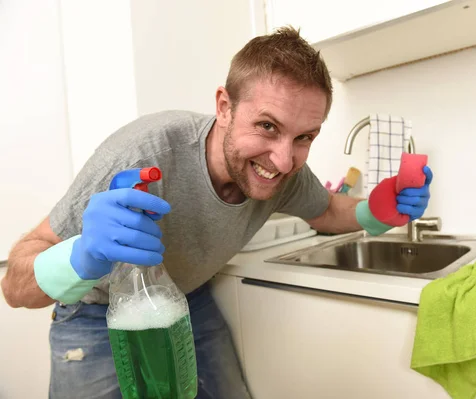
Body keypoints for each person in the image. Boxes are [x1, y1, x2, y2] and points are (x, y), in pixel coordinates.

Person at [1, 27, 433, 399]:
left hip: (187, 299)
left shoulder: (283, 173)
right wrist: (80, 256)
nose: (283, 160)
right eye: (267, 126)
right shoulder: (142, 153)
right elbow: (13, 286)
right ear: (224, 106)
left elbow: (327, 211)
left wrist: (379, 208)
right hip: (95, 313)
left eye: (304, 136)